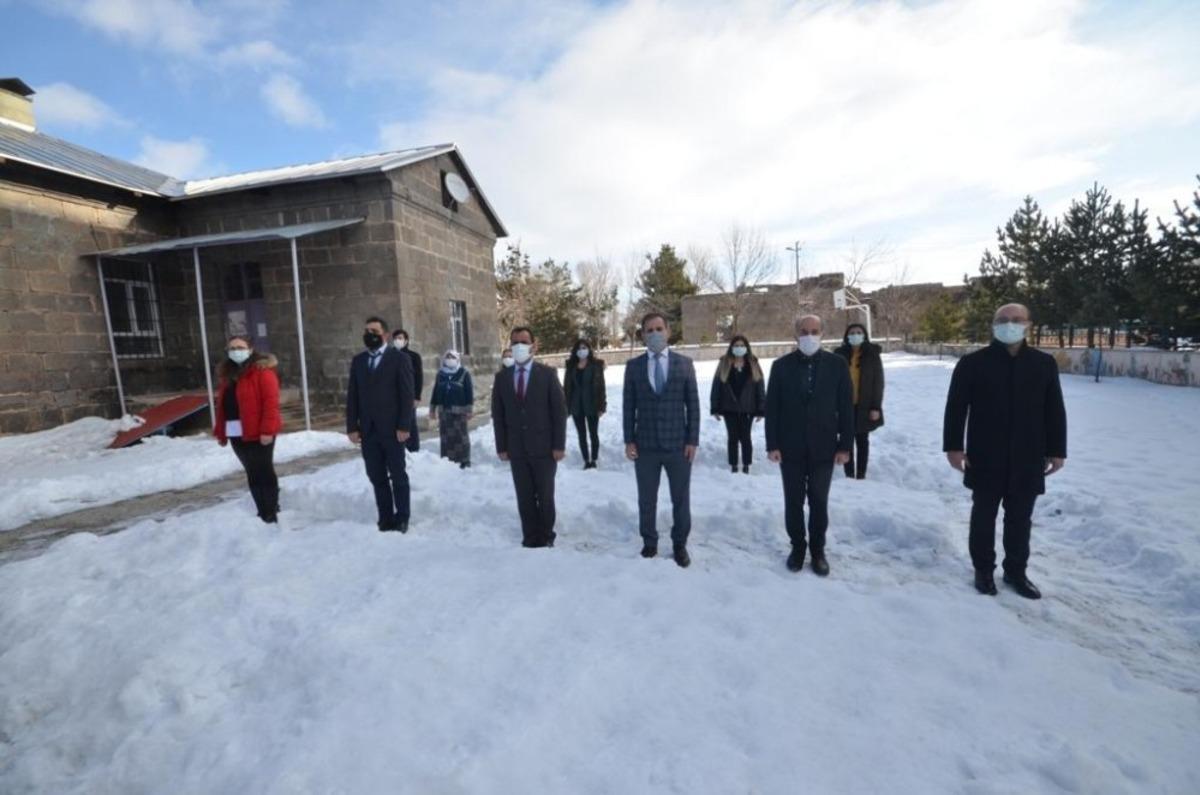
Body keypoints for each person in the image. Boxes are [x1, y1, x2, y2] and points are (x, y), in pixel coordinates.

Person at [943, 303, 1067, 599]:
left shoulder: (1043, 364)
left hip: (1028, 455)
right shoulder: (973, 364)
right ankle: (983, 569)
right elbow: (956, 408)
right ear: (993, 326)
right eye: (1002, 320)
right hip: (985, 455)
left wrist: (1056, 450)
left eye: (1016, 320)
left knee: (1020, 518)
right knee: (984, 515)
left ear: (1028, 325)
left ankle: (1016, 571)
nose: (1009, 324)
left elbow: (1054, 410)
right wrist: (953, 447)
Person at [765, 315, 854, 576]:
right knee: (793, 502)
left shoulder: (837, 365)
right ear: (795, 335)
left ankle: (818, 550)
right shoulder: (780, 366)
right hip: (790, 448)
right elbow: (773, 409)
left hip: (824, 448)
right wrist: (773, 444)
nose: (809, 336)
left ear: (822, 334)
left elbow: (846, 408)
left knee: (818, 501)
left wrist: (845, 446)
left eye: (814, 331)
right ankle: (797, 548)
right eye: (804, 331)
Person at [623, 312, 700, 568]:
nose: (654, 334)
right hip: (645, 446)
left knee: (681, 498)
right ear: (643, 335)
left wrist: (692, 440)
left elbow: (694, 405)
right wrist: (629, 440)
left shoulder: (684, 364)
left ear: (668, 331)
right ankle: (650, 542)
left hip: (678, 445)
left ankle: (680, 544)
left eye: (659, 328)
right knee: (647, 498)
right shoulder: (633, 366)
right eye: (649, 330)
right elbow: (628, 406)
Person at [491, 327, 567, 548]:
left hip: (544, 448)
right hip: (517, 449)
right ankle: (530, 537)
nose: (519, 347)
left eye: (523, 342)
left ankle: (546, 536)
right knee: (524, 496)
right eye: (515, 343)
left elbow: (559, 412)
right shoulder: (502, 377)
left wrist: (558, 445)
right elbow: (499, 414)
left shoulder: (547, 374)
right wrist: (502, 446)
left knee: (544, 495)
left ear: (533, 345)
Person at [346, 316, 415, 533]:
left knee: (398, 475)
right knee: (376, 475)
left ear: (385, 335)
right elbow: (353, 396)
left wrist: (405, 425)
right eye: (367, 330)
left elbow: (406, 394)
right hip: (368, 430)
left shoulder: (399, 359)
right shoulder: (358, 361)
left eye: (374, 331)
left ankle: (402, 516)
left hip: (393, 430)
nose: (370, 334)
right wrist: (352, 426)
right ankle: (385, 517)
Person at [213, 335, 282, 523]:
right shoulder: (228, 375)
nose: (236, 351)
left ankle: (270, 510)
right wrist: (220, 432)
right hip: (236, 431)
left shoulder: (263, 372)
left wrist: (267, 430)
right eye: (232, 348)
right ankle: (262, 508)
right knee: (251, 471)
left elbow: (271, 404)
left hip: (259, 432)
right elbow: (223, 407)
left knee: (263, 470)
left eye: (240, 347)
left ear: (250, 350)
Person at [833, 323, 885, 479]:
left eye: (859, 332)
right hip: (844, 405)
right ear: (846, 336)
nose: (855, 335)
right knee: (846, 440)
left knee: (862, 440)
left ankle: (861, 474)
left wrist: (875, 407)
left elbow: (878, 382)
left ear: (864, 335)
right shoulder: (838, 355)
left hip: (865, 405)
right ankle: (849, 474)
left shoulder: (872, 355)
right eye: (852, 332)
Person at [709, 334, 766, 474]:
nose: (739, 348)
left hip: (748, 408)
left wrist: (761, 409)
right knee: (732, 438)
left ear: (746, 347)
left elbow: (760, 387)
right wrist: (715, 407)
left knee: (746, 437)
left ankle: (746, 465)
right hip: (729, 408)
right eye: (736, 346)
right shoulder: (724, 363)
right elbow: (716, 386)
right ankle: (734, 465)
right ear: (731, 347)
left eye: (742, 345)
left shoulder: (753, 363)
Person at [563, 338, 607, 469]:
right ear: (576, 351)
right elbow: (567, 387)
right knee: (581, 434)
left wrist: (601, 406)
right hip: (576, 405)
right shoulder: (571, 366)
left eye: (584, 348)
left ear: (589, 349)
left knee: (594, 433)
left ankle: (594, 459)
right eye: (579, 348)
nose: (582, 350)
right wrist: (566, 406)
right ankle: (586, 460)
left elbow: (601, 387)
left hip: (592, 404)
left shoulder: (596, 365)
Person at [430, 349, 475, 468]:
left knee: (460, 436)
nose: (450, 360)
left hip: (459, 411)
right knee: (446, 436)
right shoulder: (440, 374)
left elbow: (469, 392)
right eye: (448, 357)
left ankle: (464, 460)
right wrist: (432, 409)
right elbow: (435, 392)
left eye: (453, 357)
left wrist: (469, 409)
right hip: (444, 411)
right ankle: (447, 460)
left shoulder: (464, 373)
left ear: (458, 359)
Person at [392, 329, 424, 453]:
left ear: (406, 340)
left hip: (409, 395)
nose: (397, 340)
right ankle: (399, 447)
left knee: (410, 421)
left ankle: (413, 448)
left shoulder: (414, 356)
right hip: (394, 396)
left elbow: (419, 377)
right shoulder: (389, 356)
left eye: (400, 338)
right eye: (395, 338)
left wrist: (417, 397)